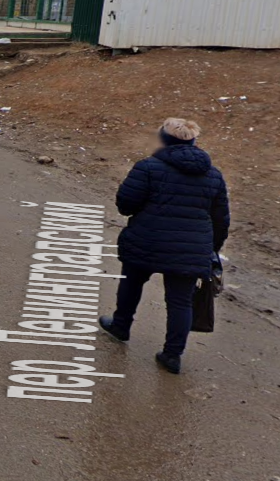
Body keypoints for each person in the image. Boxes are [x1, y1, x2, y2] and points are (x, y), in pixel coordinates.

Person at [99, 117, 230, 374]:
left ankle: (121, 326)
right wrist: (210, 247)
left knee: (132, 283)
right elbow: (221, 219)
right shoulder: (214, 175)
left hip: (146, 239)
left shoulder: (148, 167)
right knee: (180, 301)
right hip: (191, 249)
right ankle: (172, 355)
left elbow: (126, 204)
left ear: (164, 140)